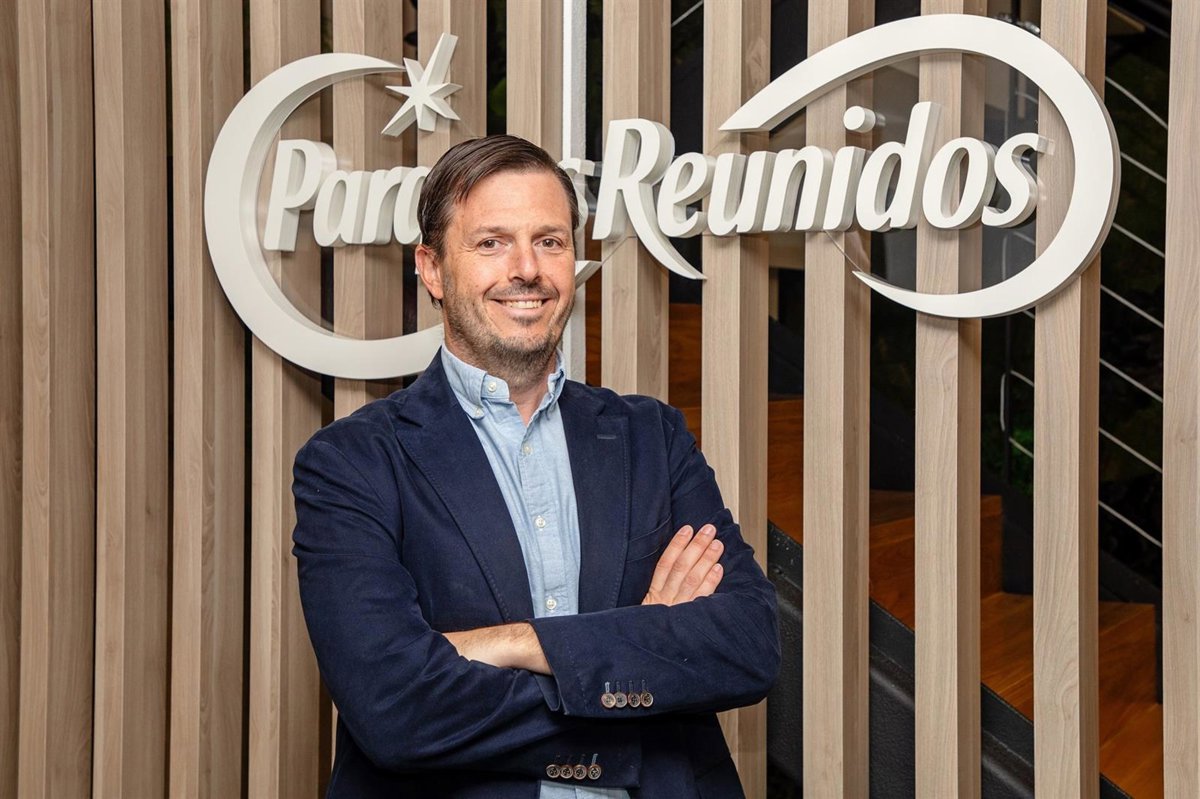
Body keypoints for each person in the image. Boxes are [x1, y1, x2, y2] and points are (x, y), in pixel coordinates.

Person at [292, 134, 780, 798]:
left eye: (549, 241)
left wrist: (520, 642)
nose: (526, 269)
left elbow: (749, 645)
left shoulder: (652, 438)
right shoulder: (352, 462)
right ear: (432, 270)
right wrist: (639, 655)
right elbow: (396, 708)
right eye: (491, 243)